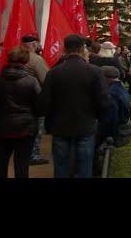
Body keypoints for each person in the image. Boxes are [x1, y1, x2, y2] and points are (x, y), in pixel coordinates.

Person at [41, 34, 107, 178]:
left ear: (64, 49)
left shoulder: (53, 73)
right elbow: (103, 101)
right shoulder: (94, 71)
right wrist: (97, 118)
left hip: (60, 126)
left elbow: (45, 102)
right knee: (84, 166)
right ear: (82, 49)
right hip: (85, 125)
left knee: (61, 166)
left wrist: (50, 122)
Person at [0, 47, 42, 178]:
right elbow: (40, 107)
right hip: (25, 129)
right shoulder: (31, 81)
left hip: (0, 128)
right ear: (26, 61)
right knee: (22, 166)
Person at [21, 35, 50, 165]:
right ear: (33, 44)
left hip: (17, 97)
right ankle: (33, 155)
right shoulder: (36, 60)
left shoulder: (16, 56)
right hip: (33, 97)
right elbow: (45, 79)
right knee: (37, 128)